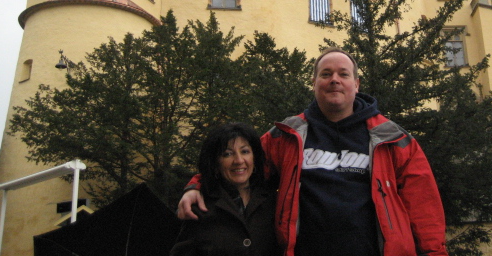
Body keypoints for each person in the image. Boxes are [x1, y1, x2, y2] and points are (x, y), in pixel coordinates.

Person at [178, 48, 448, 256]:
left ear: (356, 84)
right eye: (326, 74)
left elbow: (424, 208)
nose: (334, 80)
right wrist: (196, 185)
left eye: (343, 74)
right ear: (314, 82)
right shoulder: (287, 136)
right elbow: (242, 166)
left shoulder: (393, 139)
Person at [171, 122, 280, 256]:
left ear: (255, 157)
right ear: (215, 163)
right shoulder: (200, 207)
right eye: (227, 154)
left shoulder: (273, 200)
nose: (239, 160)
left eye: (245, 151)